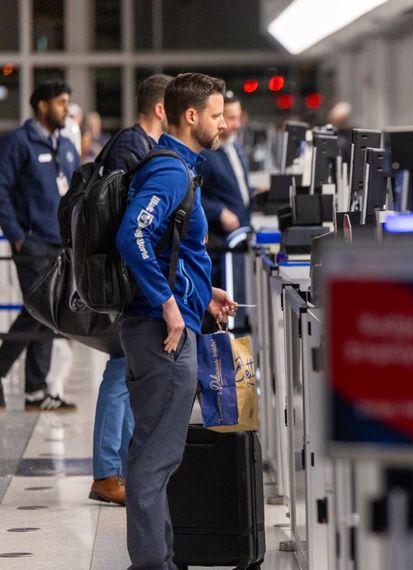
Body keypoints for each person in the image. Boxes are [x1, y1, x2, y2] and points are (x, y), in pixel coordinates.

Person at [115, 72, 237, 569]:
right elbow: (133, 236)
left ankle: (159, 558)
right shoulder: (170, 172)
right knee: (154, 459)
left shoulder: (178, 167)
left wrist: (201, 291)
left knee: (155, 453)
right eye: (215, 115)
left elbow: (169, 246)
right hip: (161, 332)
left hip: (171, 321)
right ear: (191, 117)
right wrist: (167, 301)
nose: (223, 123)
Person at [88, 74, 172, 507]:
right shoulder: (131, 147)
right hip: (122, 276)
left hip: (128, 275)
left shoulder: (138, 144)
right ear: (161, 109)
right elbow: (124, 222)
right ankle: (106, 472)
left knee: (124, 370)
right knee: (120, 371)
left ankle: (118, 466)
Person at [0, 80, 79, 412]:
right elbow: (1, 190)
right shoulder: (19, 142)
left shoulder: (65, 145)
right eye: (61, 102)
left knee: (48, 314)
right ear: (42, 106)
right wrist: (17, 235)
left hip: (61, 242)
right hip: (32, 242)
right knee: (38, 310)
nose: (66, 108)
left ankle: (35, 390)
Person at [197, 92, 254, 288]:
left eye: (239, 117)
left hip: (242, 235)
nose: (237, 124)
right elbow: (195, 195)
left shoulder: (235, 147)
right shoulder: (205, 154)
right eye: (231, 118)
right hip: (221, 243)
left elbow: (234, 185)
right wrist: (219, 210)